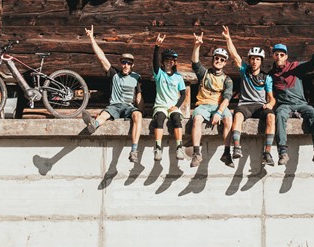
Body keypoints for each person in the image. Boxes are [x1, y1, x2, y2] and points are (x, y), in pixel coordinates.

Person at [82, 25, 143, 163]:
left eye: (129, 63)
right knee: (104, 114)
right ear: (121, 64)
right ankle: (94, 124)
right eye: (124, 62)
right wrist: (91, 39)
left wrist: (142, 110)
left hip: (128, 106)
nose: (126, 65)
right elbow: (102, 57)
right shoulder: (114, 74)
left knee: (137, 115)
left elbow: (139, 96)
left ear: (132, 65)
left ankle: (134, 150)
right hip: (114, 106)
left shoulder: (136, 77)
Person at [222, 25, 276, 167]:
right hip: (245, 105)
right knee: (237, 116)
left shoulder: (266, 77)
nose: (254, 61)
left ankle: (267, 153)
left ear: (261, 61)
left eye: (257, 59)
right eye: (252, 59)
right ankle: (237, 148)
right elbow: (234, 55)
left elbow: (272, 98)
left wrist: (270, 104)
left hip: (260, 106)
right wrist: (228, 39)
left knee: (271, 116)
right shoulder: (245, 71)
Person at [270, 42, 314, 167]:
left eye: (282, 54)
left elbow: (312, 65)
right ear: (273, 56)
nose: (279, 57)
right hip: (285, 105)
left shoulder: (295, 67)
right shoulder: (271, 75)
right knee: (279, 115)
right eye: (276, 54)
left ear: (286, 56)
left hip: (300, 104)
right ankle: (283, 153)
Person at [189, 31, 233, 168]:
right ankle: (197, 153)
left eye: (222, 59)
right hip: (203, 105)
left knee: (229, 118)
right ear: (213, 59)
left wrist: (219, 112)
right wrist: (197, 45)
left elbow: (227, 98)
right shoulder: (205, 73)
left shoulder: (227, 79)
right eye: (216, 58)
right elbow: (195, 62)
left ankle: (227, 153)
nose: (218, 61)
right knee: (196, 119)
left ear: (225, 62)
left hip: (218, 106)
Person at [151, 33, 187, 161]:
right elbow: (154, 62)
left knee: (177, 118)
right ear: (163, 62)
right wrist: (157, 46)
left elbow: (183, 94)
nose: (168, 62)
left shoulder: (178, 77)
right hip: (161, 105)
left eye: (171, 61)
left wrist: (176, 106)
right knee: (159, 118)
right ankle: (158, 148)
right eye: (166, 60)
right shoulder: (159, 74)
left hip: (172, 106)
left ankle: (179, 148)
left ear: (174, 62)